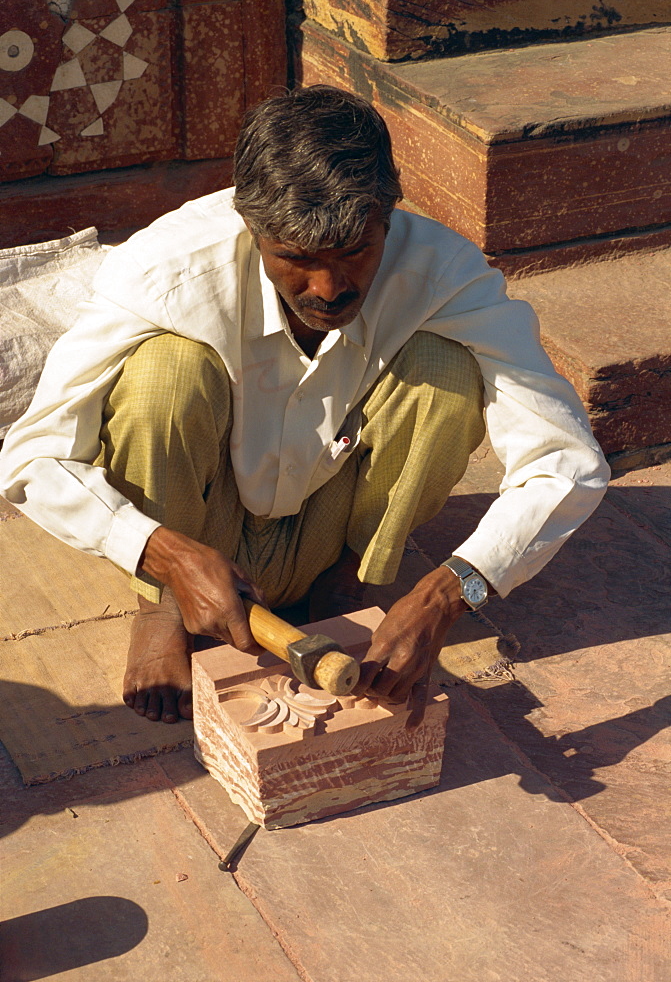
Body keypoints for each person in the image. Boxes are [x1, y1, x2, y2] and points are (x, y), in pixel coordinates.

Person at [0, 85, 609, 727]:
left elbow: (567, 461)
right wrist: (163, 553)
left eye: (355, 253)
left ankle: (346, 583)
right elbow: (33, 457)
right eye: (295, 258)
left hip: (331, 515)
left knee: (445, 372)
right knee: (162, 376)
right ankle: (163, 605)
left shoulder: (444, 272)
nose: (328, 288)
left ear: (388, 218)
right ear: (252, 226)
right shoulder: (165, 270)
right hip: (203, 525)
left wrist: (445, 594)